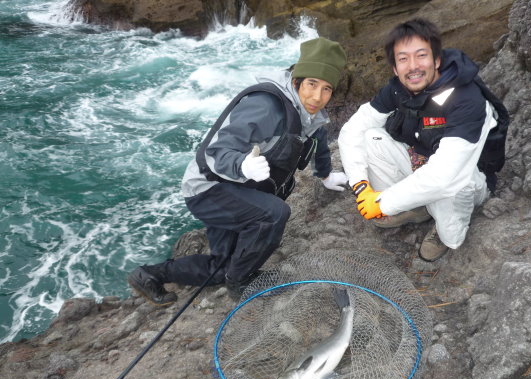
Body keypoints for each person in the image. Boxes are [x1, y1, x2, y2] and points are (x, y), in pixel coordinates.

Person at [128, 37, 348, 305]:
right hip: (208, 188)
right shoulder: (266, 106)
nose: (318, 97)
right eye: (312, 84)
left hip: (239, 188)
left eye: (327, 89)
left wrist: (325, 175)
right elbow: (217, 151)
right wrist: (242, 165)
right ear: (296, 80)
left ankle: (149, 274)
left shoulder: (307, 111)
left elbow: (317, 137)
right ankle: (241, 283)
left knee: (222, 267)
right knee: (274, 214)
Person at [338, 18, 507, 262]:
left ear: (436, 60)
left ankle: (446, 233)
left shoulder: (467, 100)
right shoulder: (397, 89)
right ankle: (415, 207)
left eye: (421, 55)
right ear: (395, 68)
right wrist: (361, 185)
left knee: (454, 189)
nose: (413, 66)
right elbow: (352, 130)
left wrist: (383, 204)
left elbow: (444, 176)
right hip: (423, 160)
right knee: (369, 138)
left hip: (467, 176)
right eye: (403, 59)